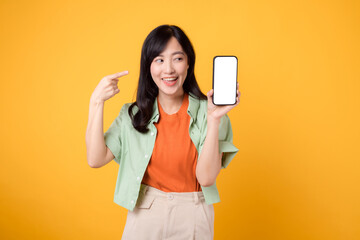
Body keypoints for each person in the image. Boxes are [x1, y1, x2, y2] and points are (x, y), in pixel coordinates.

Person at [85, 24, 241, 239]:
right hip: (145, 213)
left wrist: (214, 119)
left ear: (188, 64)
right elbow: (95, 158)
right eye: (159, 59)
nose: (168, 69)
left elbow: (206, 179)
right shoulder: (133, 114)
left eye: (177, 58)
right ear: (149, 66)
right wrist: (96, 102)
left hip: (194, 215)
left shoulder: (211, 113)